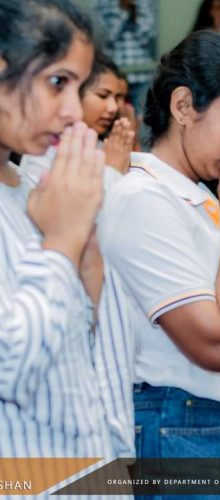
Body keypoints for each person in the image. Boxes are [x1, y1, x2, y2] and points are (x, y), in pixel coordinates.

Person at [98, 31, 220, 467]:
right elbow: (216, 348)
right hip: (190, 424)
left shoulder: (213, 199)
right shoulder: (142, 197)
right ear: (184, 106)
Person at [0, 0, 116, 458]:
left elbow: (76, 349)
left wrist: (86, 264)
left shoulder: (33, 188)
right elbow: (11, 366)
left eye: (78, 87)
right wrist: (63, 241)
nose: (73, 111)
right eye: (57, 82)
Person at [20, 50, 135, 186]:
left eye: (117, 98)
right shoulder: (43, 152)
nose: (113, 107)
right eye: (102, 95)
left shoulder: (105, 147)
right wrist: (111, 171)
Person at [93, 0, 157, 116]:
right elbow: (106, 38)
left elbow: (148, 37)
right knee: (112, 115)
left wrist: (135, 12)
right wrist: (123, 10)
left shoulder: (146, 2)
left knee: (144, 117)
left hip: (142, 74)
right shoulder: (101, 2)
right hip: (114, 73)